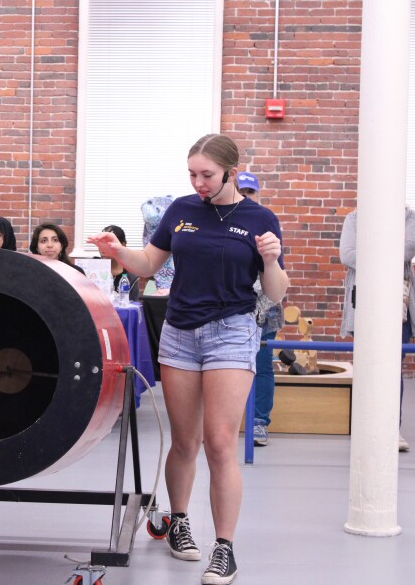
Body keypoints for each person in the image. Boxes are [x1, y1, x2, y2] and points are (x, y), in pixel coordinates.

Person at [89, 134, 288, 585]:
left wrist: (271, 261)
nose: (199, 183)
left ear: (231, 173)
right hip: (179, 333)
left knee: (219, 442)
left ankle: (225, 549)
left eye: (208, 176)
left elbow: (274, 293)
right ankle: (179, 521)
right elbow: (148, 264)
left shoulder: (259, 218)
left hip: (232, 333)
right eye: (192, 175)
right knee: (185, 442)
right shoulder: (181, 211)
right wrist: (117, 252)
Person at [339, 207, 415, 451]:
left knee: (392, 367)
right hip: (363, 303)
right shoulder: (354, 218)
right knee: (367, 367)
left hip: (399, 307)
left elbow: (407, 252)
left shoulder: (409, 217)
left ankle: (391, 429)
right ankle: (366, 427)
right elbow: (347, 254)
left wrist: (370, 251)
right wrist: (390, 249)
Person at [237, 172, 284, 447]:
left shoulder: (266, 222)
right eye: (241, 191)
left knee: (263, 366)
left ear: (258, 194)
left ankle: (259, 423)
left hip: (265, 308)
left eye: (250, 192)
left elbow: (278, 270)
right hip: (235, 307)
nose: (246, 197)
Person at [100, 225, 139, 301]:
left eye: (108, 244)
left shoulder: (130, 277)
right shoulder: (90, 270)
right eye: (100, 243)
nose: (103, 248)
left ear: (123, 245)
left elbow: (131, 307)